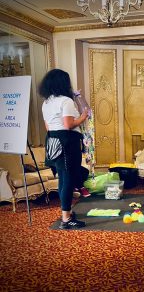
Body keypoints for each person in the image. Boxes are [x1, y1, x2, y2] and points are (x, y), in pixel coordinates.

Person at [39, 68, 89, 230]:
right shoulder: (66, 101)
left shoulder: (46, 102)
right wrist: (83, 117)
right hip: (67, 142)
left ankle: (65, 213)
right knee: (67, 179)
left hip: (52, 141)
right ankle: (66, 219)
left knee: (63, 178)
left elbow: (48, 127)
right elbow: (68, 125)